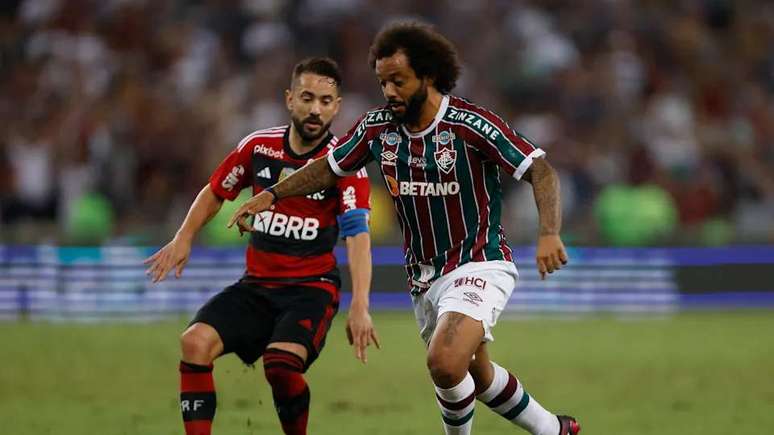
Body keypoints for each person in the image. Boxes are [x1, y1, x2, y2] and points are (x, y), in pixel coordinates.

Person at [228, 22, 580, 435]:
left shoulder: (470, 125)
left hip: (479, 261)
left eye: (399, 81)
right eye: (383, 82)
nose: (389, 91)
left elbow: (540, 170)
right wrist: (271, 194)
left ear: (428, 76)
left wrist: (549, 232)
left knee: (444, 364)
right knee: (477, 375)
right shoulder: (377, 128)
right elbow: (328, 168)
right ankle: (555, 430)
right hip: (424, 277)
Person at [144, 57, 378, 435]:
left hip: (310, 290)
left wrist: (361, 305)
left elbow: (358, 236)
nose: (315, 109)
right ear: (289, 100)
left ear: (337, 107)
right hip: (256, 287)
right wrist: (183, 237)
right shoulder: (259, 147)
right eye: (307, 98)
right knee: (195, 343)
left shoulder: (345, 165)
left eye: (324, 100)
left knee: (281, 365)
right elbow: (216, 190)